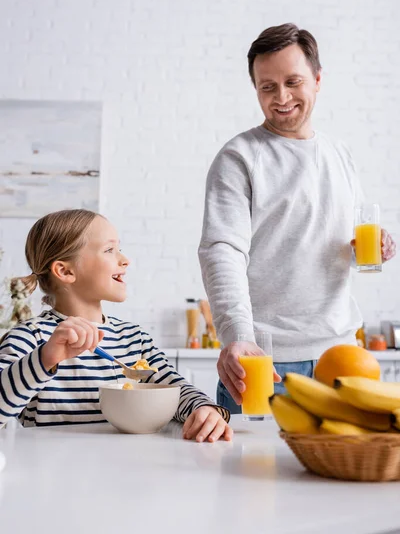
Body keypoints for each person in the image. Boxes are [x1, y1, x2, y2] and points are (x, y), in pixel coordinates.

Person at [198, 23, 396, 414]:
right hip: (262, 362)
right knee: (250, 474)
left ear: (318, 80)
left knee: (341, 472)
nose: (282, 97)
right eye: (267, 86)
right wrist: (237, 336)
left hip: (341, 358)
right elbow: (222, 251)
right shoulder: (239, 157)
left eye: (293, 81)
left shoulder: (340, 155)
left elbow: (335, 246)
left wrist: (368, 250)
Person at [0, 209, 232, 442]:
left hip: (122, 471)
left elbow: (176, 389)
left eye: (119, 248)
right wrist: (44, 358)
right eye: (110, 250)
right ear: (66, 271)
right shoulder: (31, 337)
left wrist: (205, 410)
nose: (125, 259)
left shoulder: (133, 338)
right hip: (50, 473)